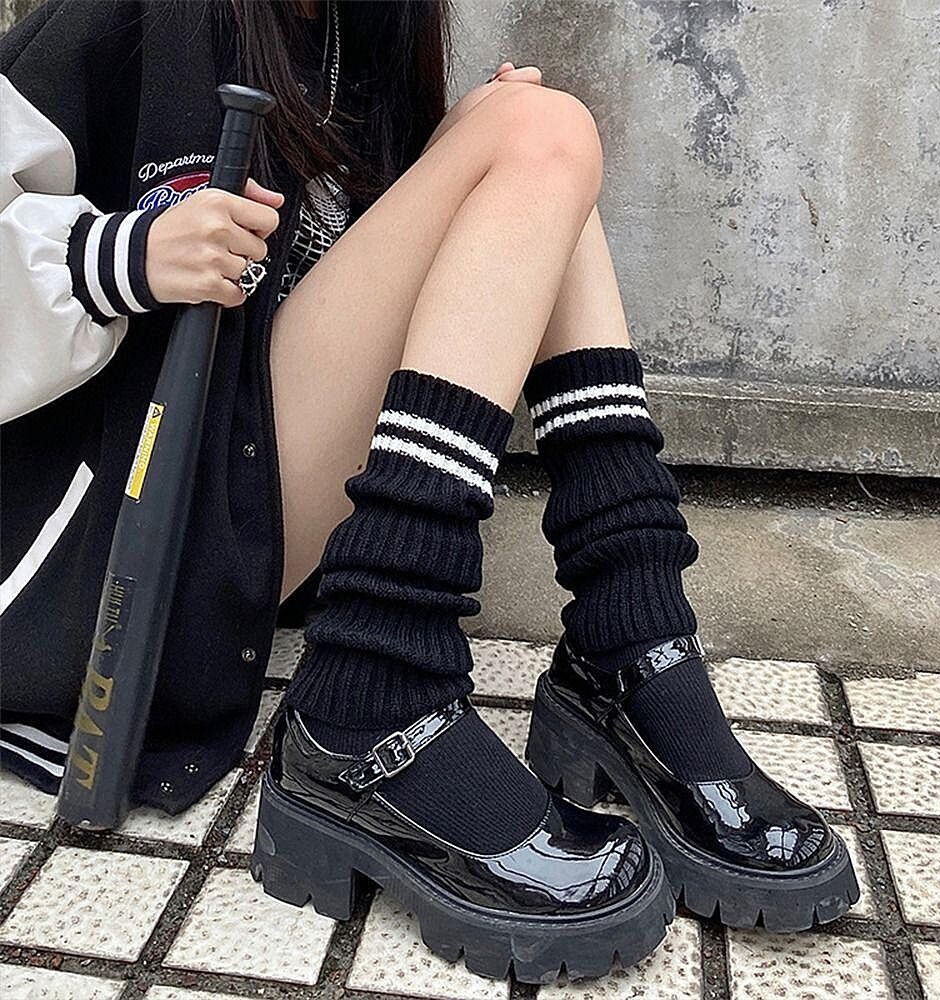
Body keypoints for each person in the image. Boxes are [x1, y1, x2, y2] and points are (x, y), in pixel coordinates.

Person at [0, 0, 858, 983]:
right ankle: (381, 688)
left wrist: (453, 159)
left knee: (538, 141)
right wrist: (113, 257)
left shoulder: (367, 33)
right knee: (535, 135)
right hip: (102, 567)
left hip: (233, 511)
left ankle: (631, 632)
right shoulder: (131, 15)